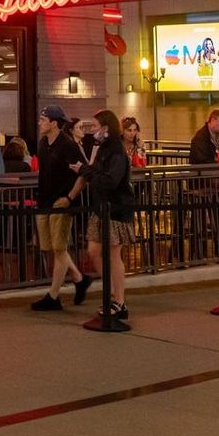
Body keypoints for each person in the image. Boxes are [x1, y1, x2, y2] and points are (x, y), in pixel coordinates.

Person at [70, 108, 135, 320]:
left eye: (96, 127)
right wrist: (87, 171)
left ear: (106, 128)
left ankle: (119, 300)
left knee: (114, 253)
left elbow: (111, 180)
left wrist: (85, 171)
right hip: (102, 207)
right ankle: (110, 293)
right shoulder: (104, 147)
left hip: (115, 208)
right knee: (94, 250)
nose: (93, 131)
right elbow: (98, 173)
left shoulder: (116, 151)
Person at [31, 104, 91, 311]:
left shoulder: (67, 145)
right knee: (50, 247)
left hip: (61, 201)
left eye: (43, 119)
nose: (39, 123)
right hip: (45, 200)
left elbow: (83, 173)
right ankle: (79, 278)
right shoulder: (42, 143)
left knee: (59, 248)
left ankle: (54, 295)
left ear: (54, 123)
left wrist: (70, 197)